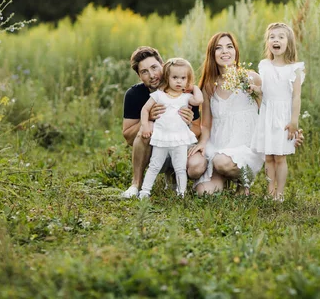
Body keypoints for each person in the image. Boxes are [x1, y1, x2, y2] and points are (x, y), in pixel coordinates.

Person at [188, 32, 304, 195]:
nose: (225, 51)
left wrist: (290, 129)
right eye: (219, 48)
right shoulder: (209, 86)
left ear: (235, 51)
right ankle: (224, 178)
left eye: (229, 46)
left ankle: (243, 181)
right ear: (212, 54)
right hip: (217, 144)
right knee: (202, 188)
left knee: (222, 162)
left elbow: (272, 109)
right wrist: (202, 143)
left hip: (245, 146)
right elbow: (206, 124)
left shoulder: (251, 79)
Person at [120, 47, 206, 199]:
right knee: (148, 129)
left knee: (197, 166)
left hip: (179, 145)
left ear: (163, 65)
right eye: (144, 71)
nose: (152, 75)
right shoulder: (134, 95)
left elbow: (198, 130)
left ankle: (175, 180)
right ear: (139, 76)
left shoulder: (183, 90)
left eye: (154, 67)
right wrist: (147, 120)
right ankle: (136, 185)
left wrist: (188, 122)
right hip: (155, 148)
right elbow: (128, 137)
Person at [249, 22, 305, 201]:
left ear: (288, 42)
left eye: (281, 37)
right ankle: (270, 191)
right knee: (268, 157)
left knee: (280, 157)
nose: (276, 40)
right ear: (268, 42)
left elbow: (296, 97)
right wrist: (255, 90)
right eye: (272, 37)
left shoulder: (294, 69)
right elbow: (264, 91)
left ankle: (279, 194)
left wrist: (294, 121)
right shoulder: (264, 65)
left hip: (283, 118)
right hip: (267, 115)